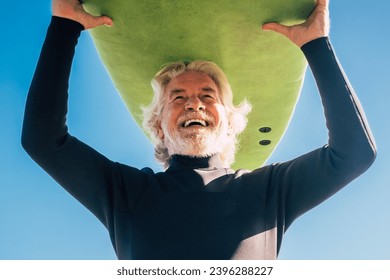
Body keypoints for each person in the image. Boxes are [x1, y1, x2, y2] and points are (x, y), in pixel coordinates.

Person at [22, 0, 376, 259]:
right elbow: (43, 140)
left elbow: (354, 153)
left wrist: (316, 44)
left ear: (230, 122)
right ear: (158, 126)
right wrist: (63, 27)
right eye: (178, 97)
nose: (194, 104)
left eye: (208, 95)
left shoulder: (268, 192)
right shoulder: (126, 195)